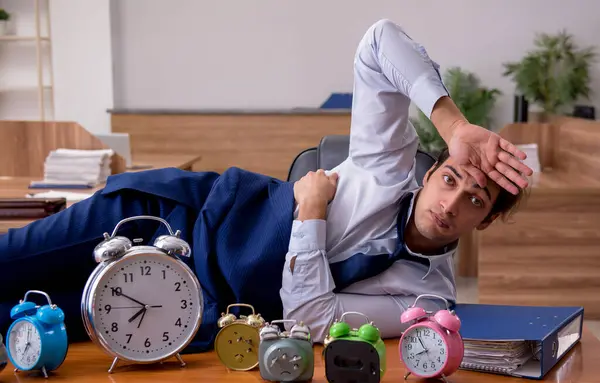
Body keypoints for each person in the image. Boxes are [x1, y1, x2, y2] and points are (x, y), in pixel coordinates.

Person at [0, 19, 531, 352]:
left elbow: (311, 319)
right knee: (11, 262)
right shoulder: (385, 166)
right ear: (431, 171)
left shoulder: (427, 297)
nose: (452, 201)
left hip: (195, 309)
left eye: (474, 201)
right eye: (451, 178)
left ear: (482, 221)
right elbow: (379, 41)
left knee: (30, 320)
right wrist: (456, 126)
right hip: (166, 216)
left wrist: (312, 214)